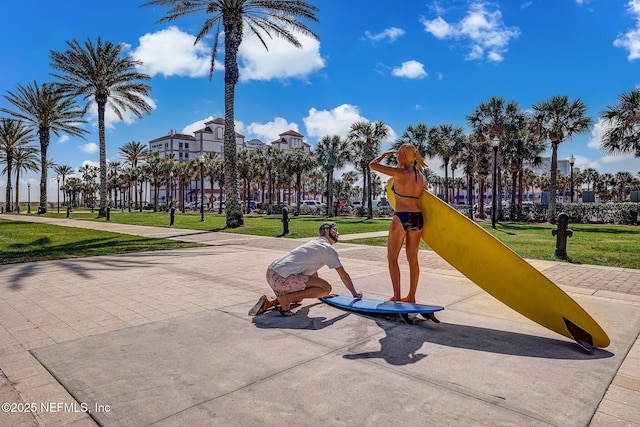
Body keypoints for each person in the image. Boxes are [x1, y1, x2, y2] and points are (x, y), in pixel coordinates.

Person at [249, 221, 362, 317]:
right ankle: (285, 300)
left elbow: (312, 271)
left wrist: (321, 293)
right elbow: (343, 275)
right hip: (282, 277)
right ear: (326, 230)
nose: (338, 233)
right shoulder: (327, 249)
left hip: (271, 274)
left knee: (299, 298)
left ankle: (269, 304)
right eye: (335, 230)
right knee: (327, 288)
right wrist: (354, 293)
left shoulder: (314, 243)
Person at [369, 144, 428, 303]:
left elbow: (372, 165)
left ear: (402, 155)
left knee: (392, 258)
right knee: (413, 259)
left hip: (401, 216)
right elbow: (426, 197)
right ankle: (411, 297)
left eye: (398, 155)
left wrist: (383, 155)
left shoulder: (399, 173)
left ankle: (396, 296)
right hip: (418, 217)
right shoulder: (421, 177)